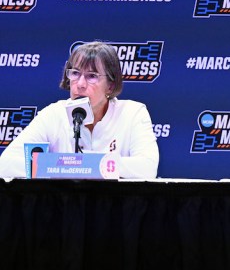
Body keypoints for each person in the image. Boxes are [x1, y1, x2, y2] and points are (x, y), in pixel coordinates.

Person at [0, 41, 159, 179]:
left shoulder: (133, 113)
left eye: (92, 76)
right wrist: (63, 165)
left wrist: (90, 165)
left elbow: (147, 168)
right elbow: (6, 164)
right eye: (75, 73)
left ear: (110, 86)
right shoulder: (54, 114)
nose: (80, 84)